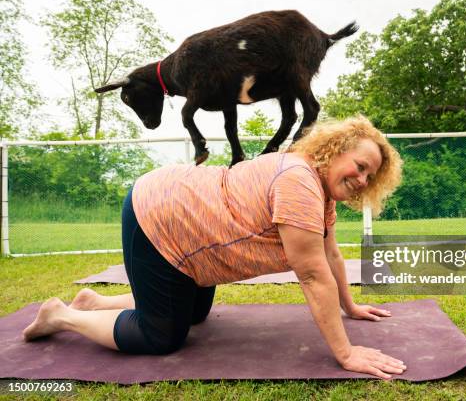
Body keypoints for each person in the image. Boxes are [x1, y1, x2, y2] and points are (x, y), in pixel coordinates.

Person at [22, 116, 406, 379]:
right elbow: (310, 272)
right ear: (333, 150)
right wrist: (346, 352)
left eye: (370, 176)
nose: (362, 178)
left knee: (194, 313)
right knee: (161, 336)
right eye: (359, 165)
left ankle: (93, 304)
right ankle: (62, 316)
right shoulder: (299, 180)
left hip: (189, 228)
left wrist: (350, 306)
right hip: (159, 213)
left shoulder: (319, 194)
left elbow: (330, 254)